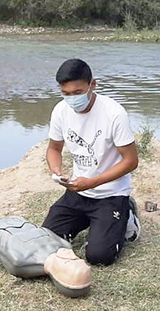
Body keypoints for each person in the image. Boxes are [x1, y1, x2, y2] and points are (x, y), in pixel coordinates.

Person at [42, 59, 141, 266]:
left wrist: (93, 182)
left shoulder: (114, 113)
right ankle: (93, 221)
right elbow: (53, 149)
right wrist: (56, 170)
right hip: (78, 192)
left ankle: (127, 213)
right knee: (46, 241)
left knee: (99, 257)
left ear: (92, 85)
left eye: (77, 92)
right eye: (66, 93)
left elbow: (131, 161)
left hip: (110, 193)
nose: (72, 99)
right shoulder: (60, 110)